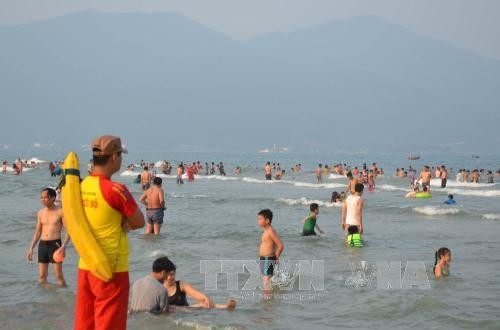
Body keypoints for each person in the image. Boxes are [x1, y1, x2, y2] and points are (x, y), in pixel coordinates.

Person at [75, 135, 145, 330]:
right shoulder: (115, 189)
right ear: (114, 157)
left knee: (85, 322)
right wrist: (125, 220)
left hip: (86, 265)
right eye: (120, 155)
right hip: (111, 268)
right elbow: (140, 221)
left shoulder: (80, 186)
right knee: (109, 325)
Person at [27, 188, 70, 287]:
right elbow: (37, 232)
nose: (43, 200)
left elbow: (69, 230)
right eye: (41, 198)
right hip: (42, 245)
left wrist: (63, 246)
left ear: (53, 197)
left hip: (55, 245)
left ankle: (64, 297)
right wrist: (31, 248)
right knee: (42, 277)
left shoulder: (60, 212)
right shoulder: (40, 213)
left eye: (45, 197)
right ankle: (50, 298)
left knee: (58, 276)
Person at [162, 257, 236, 309]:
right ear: (162, 274)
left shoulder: (181, 285)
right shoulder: (158, 287)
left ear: (175, 273)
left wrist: (205, 298)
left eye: (172, 274)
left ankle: (226, 307)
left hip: (185, 312)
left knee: (203, 304)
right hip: (169, 314)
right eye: (167, 275)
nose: (169, 278)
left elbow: (195, 293)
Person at [257, 209, 283, 292]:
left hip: (269, 258)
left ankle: (267, 300)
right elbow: (272, 245)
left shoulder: (270, 231)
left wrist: (276, 257)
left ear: (267, 220)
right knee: (266, 279)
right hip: (264, 259)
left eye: (260, 219)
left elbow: (280, 245)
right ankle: (269, 299)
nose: (258, 221)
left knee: (266, 280)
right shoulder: (266, 231)